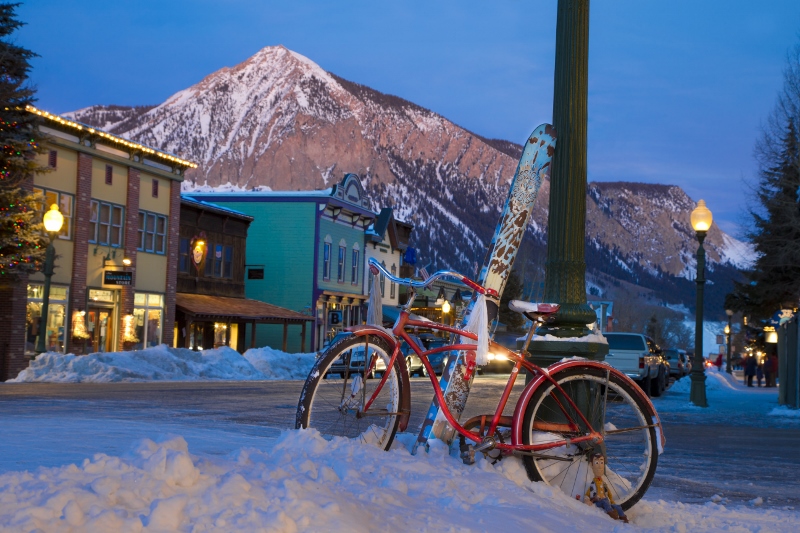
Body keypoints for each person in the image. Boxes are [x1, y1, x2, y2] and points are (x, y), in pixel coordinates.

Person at [584, 453, 629, 523]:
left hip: (606, 503)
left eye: (602, 462)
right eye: (596, 462)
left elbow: (610, 495)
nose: (599, 466)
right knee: (604, 500)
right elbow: (587, 494)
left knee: (617, 506)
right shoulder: (593, 484)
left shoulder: (604, 484)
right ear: (591, 465)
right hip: (598, 502)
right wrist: (587, 500)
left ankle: (623, 517)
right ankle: (611, 513)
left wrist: (612, 502)